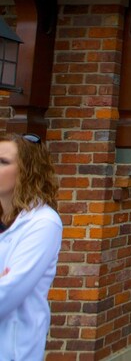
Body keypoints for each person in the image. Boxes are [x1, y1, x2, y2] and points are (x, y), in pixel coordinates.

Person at [0, 133, 63, 361]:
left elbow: (6, 294)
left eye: (3, 162)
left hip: (15, 350)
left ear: (26, 172)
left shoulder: (43, 223)